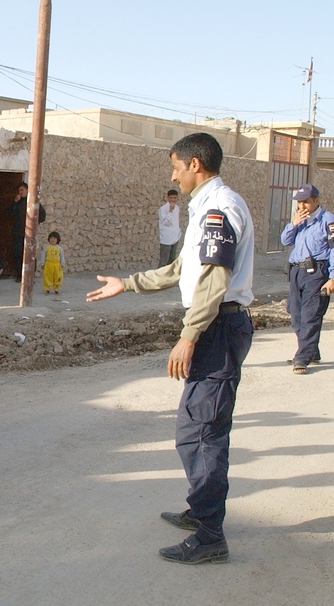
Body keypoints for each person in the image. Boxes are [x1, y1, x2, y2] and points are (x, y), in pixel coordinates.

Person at [86, 132, 254, 565]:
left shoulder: (219, 208)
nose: (173, 175)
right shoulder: (206, 207)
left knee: (203, 433)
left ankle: (211, 536)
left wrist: (189, 334)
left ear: (195, 165)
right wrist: (131, 282)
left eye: (176, 167)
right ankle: (202, 513)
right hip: (215, 326)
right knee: (196, 430)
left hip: (217, 327)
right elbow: (183, 269)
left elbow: (215, 280)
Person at [280, 184, 334, 375]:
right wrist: (294, 224)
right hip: (297, 272)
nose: (302, 206)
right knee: (295, 313)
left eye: (306, 202)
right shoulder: (300, 220)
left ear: (316, 201)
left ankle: (302, 357)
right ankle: (311, 350)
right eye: (299, 202)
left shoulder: (329, 222)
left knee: (311, 314)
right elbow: (285, 241)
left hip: (317, 272)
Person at [8, 182, 46, 281]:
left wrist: (33, 225)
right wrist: (15, 202)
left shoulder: (33, 202)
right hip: (17, 233)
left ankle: (30, 276)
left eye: (22, 190)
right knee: (18, 253)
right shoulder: (17, 202)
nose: (20, 192)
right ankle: (20, 275)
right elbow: (9, 214)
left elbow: (42, 216)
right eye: (19, 190)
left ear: (27, 190)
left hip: (29, 233)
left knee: (30, 254)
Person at [158, 189, 181, 267]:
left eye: (175, 198)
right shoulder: (163, 209)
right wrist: (170, 211)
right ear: (168, 198)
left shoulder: (177, 208)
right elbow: (166, 223)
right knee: (164, 260)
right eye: (171, 198)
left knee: (172, 260)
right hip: (166, 238)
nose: (173, 200)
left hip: (175, 237)